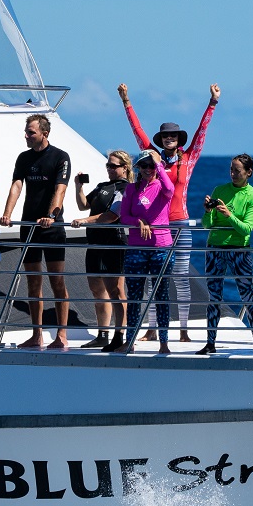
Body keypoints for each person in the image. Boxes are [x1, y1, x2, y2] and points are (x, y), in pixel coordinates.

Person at [118, 81, 218, 343]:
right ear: (161, 140)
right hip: (156, 226)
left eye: (173, 136)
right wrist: (126, 101)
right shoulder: (153, 159)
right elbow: (137, 132)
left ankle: (183, 329)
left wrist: (212, 103)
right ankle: (152, 328)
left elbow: (202, 132)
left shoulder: (189, 158)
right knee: (154, 278)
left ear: (178, 139)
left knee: (181, 276)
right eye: (165, 136)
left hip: (180, 223)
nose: (169, 139)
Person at [86, 149, 176, 354]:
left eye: (150, 166)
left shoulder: (162, 186)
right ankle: (130, 341)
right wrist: (139, 221)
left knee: (161, 295)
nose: (147, 170)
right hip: (136, 248)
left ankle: (164, 343)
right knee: (135, 298)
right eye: (143, 166)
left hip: (160, 248)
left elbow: (171, 189)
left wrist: (158, 163)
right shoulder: (132, 189)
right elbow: (124, 216)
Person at [0, 114, 71, 351]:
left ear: (44, 133)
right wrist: (7, 214)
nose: (26, 136)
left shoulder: (60, 157)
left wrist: (51, 215)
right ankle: (36, 334)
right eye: (26, 132)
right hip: (29, 226)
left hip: (52, 228)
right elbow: (17, 186)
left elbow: (60, 189)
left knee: (57, 281)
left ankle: (61, 334)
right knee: (33, 283)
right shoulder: (24, 157)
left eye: (31, 132)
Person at [200, 153, 253, 355]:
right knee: (214, 297)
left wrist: (229, 215)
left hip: (239, 250)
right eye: (231, 169)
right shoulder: (220, 190)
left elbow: (246, 229)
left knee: (247, 296)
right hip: (215, 248)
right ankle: (210, 342)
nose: (233, 174)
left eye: (237, 170)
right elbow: (206, 225)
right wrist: (208, 212)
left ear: (248, 172)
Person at [72, 151, 131, 349]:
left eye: (114, 166)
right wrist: (78, 187)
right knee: (97, 289)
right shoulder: (101, 186)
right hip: (95, 242)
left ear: (125, 167)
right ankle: (103, 333)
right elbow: (84, 205)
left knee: (116, 290)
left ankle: (120, 334)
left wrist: (84, 221)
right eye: (108, 165)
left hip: (113, 242)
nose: (110, 169)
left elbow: (111, 216)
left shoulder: (125, 188)